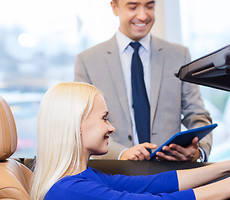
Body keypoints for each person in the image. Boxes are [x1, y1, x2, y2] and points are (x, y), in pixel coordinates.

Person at [30, 82, 230, 200]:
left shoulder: (81, 178)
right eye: (104, 118)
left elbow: (156, 184)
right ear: (76, 125)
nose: (111, 128)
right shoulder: (73, 191)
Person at [74, 0, 212, 162]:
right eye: (133, 7)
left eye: (149, 6)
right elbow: (82, 124)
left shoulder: (178, 55)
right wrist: (121, 153)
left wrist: (199, 151)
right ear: (114, 7)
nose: (143, 15)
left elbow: (197, 114)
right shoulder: (88, 61)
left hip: (170, 174)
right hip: (114, 174)